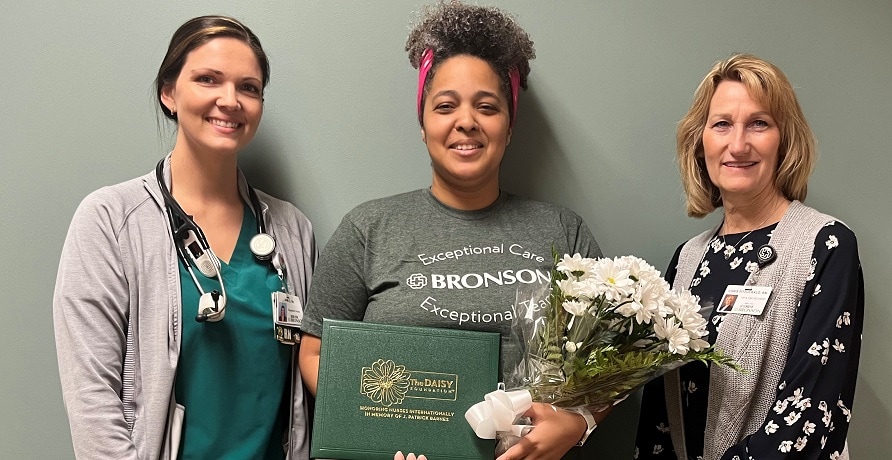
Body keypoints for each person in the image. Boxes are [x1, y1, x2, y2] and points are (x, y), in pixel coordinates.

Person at [298, 2, 605, 459]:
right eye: (445, 106)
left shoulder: (562, 230)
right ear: (423, 123)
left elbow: (609, 362)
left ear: (509, 126)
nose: (466, 121)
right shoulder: (369, 228)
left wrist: (578, 423)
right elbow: (316, 353)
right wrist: (379, 435)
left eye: (487, 106)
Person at [53, 16, 316, 460]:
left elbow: (309, 382)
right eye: (207, 79)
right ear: (169, 92)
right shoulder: (110, 221)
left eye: (248, 87)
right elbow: (93, 402)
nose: (229, 100)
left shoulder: (292, 230)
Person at [634, 54, 864, 460]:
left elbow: (807, 418)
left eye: (759, 123)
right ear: (699, 141)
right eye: (721, 124)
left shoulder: (825, 246)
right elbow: (658, 420)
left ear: (784, 140)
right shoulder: (687, 260)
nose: (737, 144)